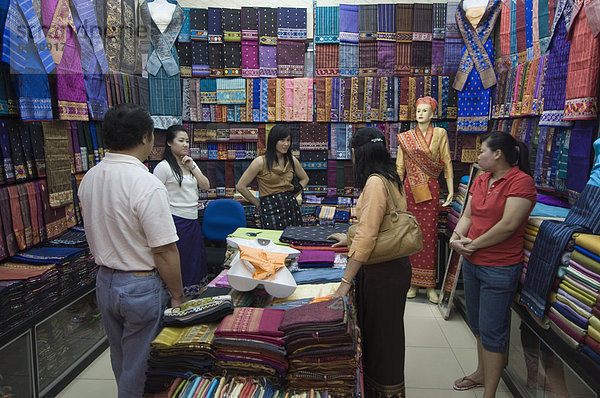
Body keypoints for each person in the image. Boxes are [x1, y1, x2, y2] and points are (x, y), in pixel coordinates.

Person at [78, 104, 184, 398]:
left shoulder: (90, 178)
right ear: (145, 138)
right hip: (139, 285)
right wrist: (177, 294)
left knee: (122, 359)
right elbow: (163, 249)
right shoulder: (146, 184)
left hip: (105, 282)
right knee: (140, 367)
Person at [450, 131, 536, 397]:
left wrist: (472, 245)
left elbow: (508, 226)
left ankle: (489, 393)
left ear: (497, 154)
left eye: (482, 151)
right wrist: (455, 238)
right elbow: (468, 215)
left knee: (493, 330)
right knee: (477, 324)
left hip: (498, 268)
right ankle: (480, 372)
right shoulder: (482, 179)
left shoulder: (521, 182)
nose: (478, 156)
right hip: (473, 263)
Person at [328, 127, 411, 397]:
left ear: (357, 152)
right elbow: (381, 225)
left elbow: (368, 237)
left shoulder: (375, 182)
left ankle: (382, 391)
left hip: (382, 271)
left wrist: (345, 281)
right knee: (388, 333)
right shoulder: (391, 176)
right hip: (395, 266)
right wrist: (349, 235)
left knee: (381, 338)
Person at [397, 96, 453, 304]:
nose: (420, 114)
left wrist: (450, 190)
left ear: (432, 113)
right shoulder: (405, 137)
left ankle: (429, 286)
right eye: (418, 110)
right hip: (410, 189)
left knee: (429, 236)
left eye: (425, 110)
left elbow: (446, 161)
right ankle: (412, 283)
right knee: (411, 234)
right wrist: (397, 192)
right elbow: (400, 167)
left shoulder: (440, 134)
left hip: (430, 189)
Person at [153, 125, 210, 298]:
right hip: (175, 220)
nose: (185, 144)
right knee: (181, 261)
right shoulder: (163, 167)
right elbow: (154, 195)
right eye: (181, 140)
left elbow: (206, 186)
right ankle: (178, 298)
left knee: (195, 259)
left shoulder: (190, 163)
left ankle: (194, 299)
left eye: (187, 141)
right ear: (170, 143)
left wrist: (192, 167)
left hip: (192, 219)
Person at [235, 124, 309, 230]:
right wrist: (258, 204)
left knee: (294, 240)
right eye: (282, 140)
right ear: (273, 141)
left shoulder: (292, 160)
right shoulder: (260, 161)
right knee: (272, 242)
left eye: (288, 140)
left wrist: (294, 194)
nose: (286, 144)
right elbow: (241, 186)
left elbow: (305, 178)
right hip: (270, 209)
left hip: (291, 207)